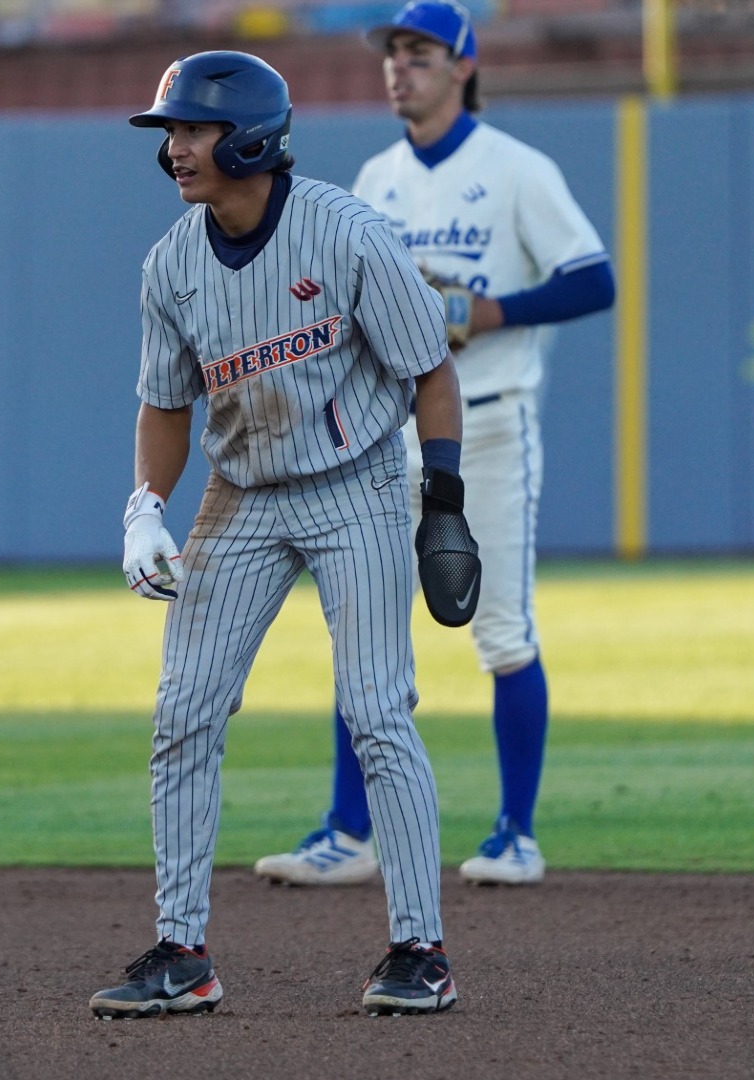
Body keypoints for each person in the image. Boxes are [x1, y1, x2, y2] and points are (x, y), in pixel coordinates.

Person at [88, 49, 475, 1020]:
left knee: (376, 711)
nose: (174, 148)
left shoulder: (346, 237)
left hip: (357, 485)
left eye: (191, 129)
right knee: (183, 714)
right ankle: (182, 951)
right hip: (241, 495)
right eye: (169, 131)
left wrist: (443, 500)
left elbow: (429, 371)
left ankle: (418, 948)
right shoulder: (171, 263)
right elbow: (163, 404)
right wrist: (144, 507)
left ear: (250, 138)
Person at [254, 0, 616, 888]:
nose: (398, 66)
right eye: (391, 53)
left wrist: (494, 310)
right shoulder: (373, 178)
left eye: (418, 52)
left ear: (463, 65)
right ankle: (349, 832)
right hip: (389, 433)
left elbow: (592, 278)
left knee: (500, 631)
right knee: (364, 631)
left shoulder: (515, 169)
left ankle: (515, 834)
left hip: (490, 418)